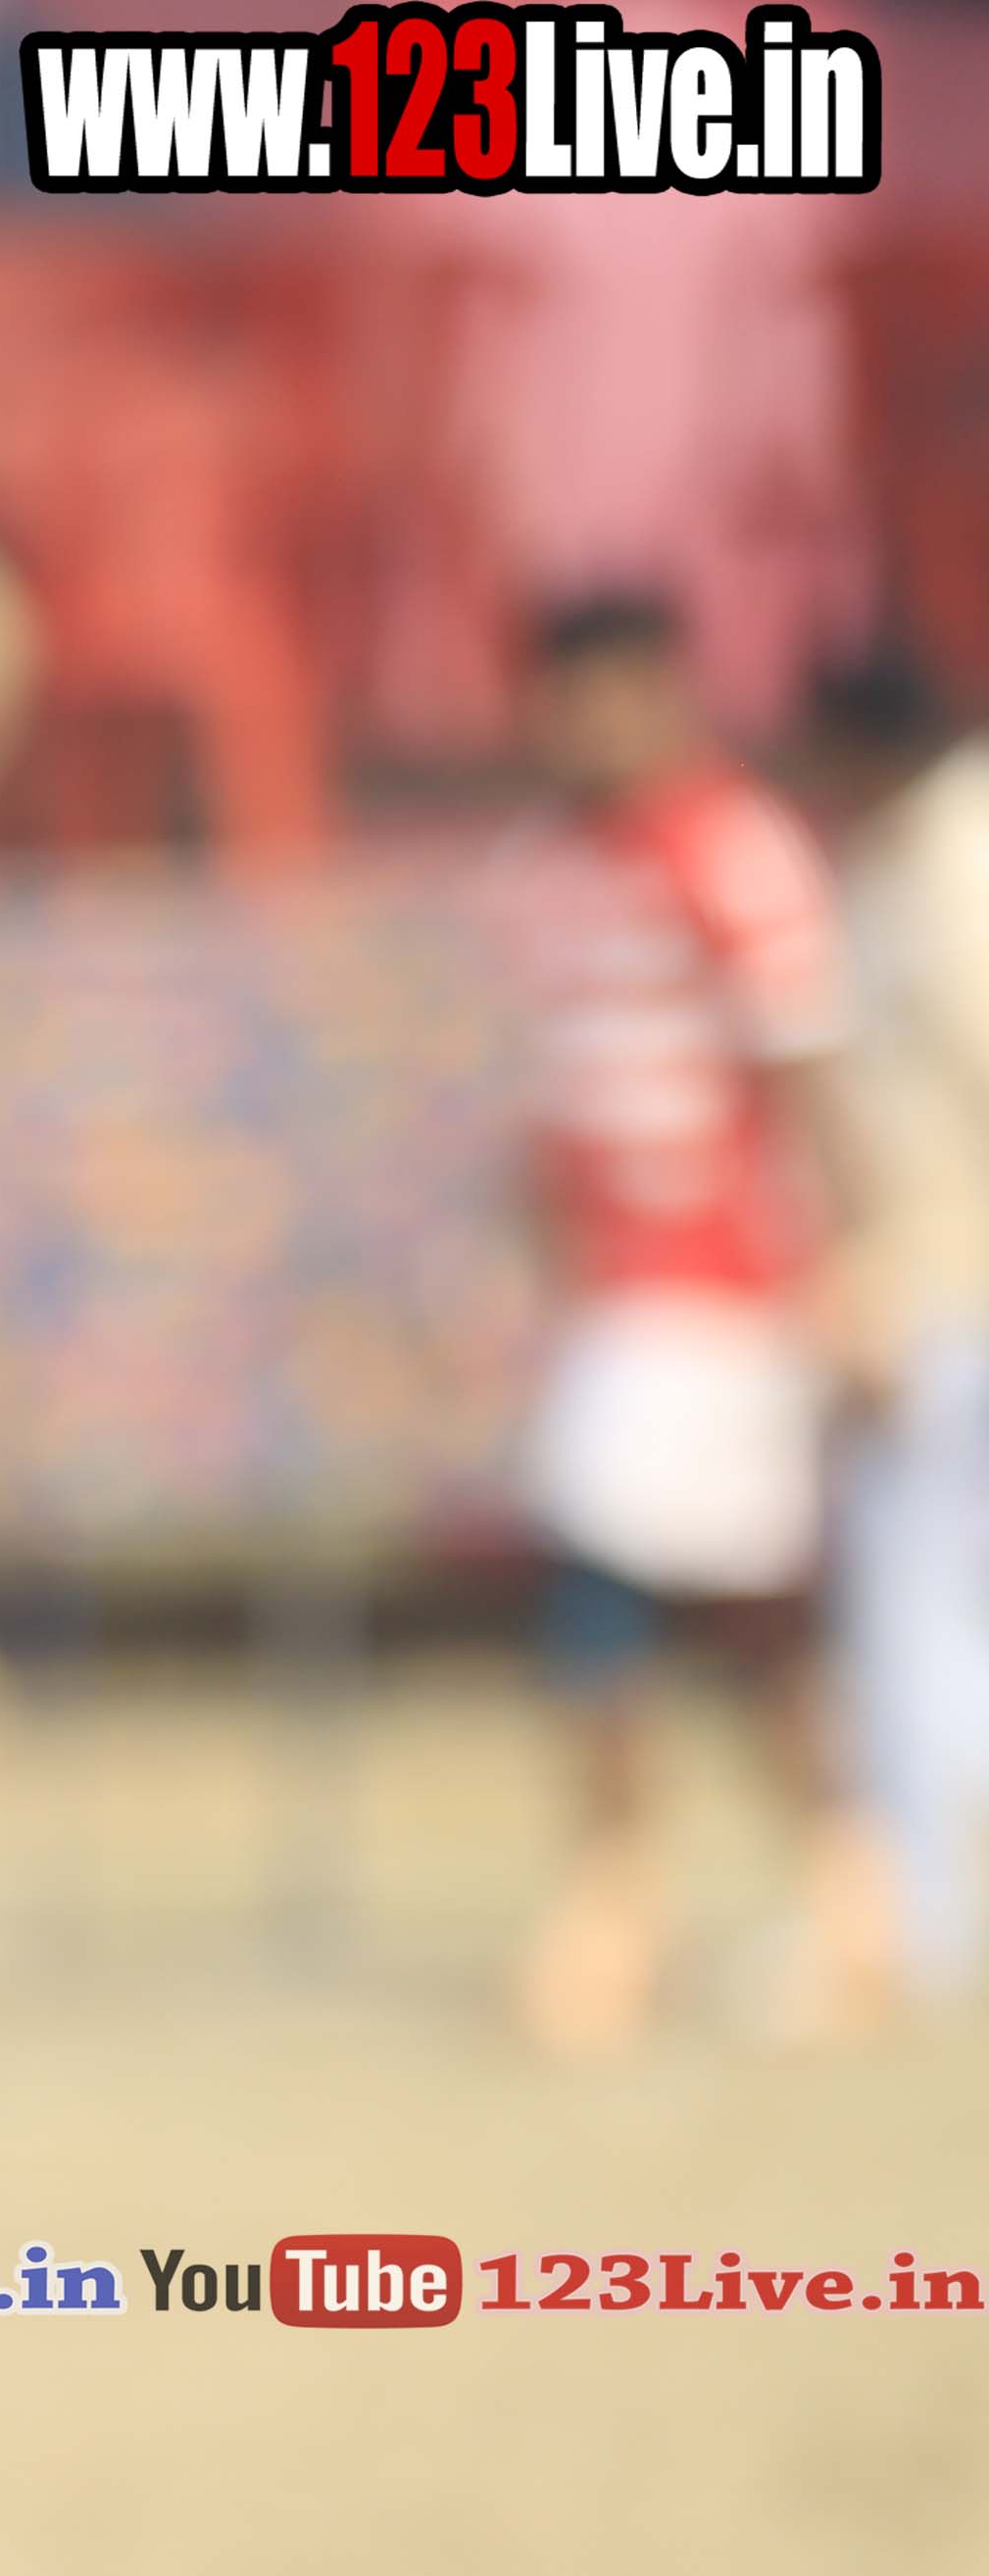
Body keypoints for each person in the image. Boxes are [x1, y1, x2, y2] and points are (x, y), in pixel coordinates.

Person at [488, 588, 892, 2053]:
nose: (594, 722)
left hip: (720, 1293)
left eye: (619, 690)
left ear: (670, 692)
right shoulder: (540, 870)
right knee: (699, 1610)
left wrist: (851, 1268)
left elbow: (808, 1072)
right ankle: (784, 1887)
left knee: (652, 1600)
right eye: (569, 694)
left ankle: (652, 1900)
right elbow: (547, 1101)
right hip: (609, 1300)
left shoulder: (736, 848)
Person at [811, 646, 989, 2001]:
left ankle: (922, 1914)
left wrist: (879, 1278)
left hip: (948, 1288)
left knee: (915, 1607)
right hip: (934, 1281)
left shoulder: (947, 864)